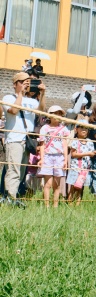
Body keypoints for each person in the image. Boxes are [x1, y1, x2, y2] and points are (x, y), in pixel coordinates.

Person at [2, 71, 46, 207]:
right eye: (23, 82)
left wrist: (42, 94)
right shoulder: (8, 98)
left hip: (27, 141)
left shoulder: (32, 101)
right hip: (14, 139)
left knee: (21, 172)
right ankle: (9, 197)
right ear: (15, 84)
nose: (26, 84)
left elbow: (41, 111)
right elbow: (14, 111)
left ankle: (12, 197)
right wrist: (20, 93)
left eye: (28, 82)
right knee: (13, 171)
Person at [37, 106, 70, 207]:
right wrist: (42, 158)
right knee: (48, 183)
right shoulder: (45, 128)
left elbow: (65, 145)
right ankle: (46, 205)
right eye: (55, 113)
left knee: (57, 183)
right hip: (48, 156)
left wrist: (65, 160)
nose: (57, 116)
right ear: (49, 115)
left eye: (59, 114)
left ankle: (55, 205)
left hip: (59, 157)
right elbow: (42, 145)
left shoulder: (63, 129)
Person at [66, 122, 96, 205]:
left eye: (86, 128)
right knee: (73, 186)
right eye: (82, 128)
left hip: (85, 169)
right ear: (76, 129)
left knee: (81, 187)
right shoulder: (75, 141)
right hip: (75, 167)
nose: (84, 130)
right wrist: (87, 154)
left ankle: (78, 203)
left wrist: (94, 153)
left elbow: (91, 154)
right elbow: (73, 154)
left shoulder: (90, 142)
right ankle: (69, 202)